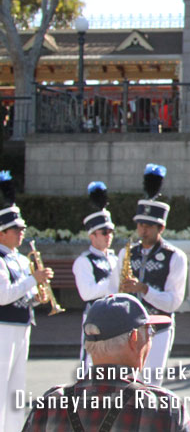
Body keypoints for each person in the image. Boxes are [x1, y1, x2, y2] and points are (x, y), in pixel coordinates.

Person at [21, 293, 190, 432]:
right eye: (149, 331)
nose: (151, 339)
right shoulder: (164, 407)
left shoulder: (51, 404)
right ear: (134, 339)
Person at [118, 164, 187, 386]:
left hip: (158, 328)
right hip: (128, 330)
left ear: (161, 227)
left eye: (149, 225)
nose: (143, 230)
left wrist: (144, 290)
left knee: (150, 385)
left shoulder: (175, 257)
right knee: (126, 385)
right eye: (140, 224)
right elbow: (113, 289)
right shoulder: (126, 253)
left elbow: (173, 302)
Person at [0, 171, 52, 432]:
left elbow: (21, 294)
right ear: (2, 233)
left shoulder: (21, 259)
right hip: (3, 327)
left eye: (21, 229)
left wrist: (38, 295)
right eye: (16, 230)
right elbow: (3, 295)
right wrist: (33, 280)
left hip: (22, 325)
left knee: (16, 388)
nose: (21, 233)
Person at [73, 181, 121, 369]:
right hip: (96, 316)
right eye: (104, 232)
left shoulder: (115, 258)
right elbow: (87, 293)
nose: (108, 236)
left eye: (110, 232)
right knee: (91, 365)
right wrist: (113, 279)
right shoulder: (84, 261)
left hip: (116, 315)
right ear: (92, 235)